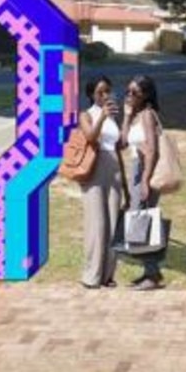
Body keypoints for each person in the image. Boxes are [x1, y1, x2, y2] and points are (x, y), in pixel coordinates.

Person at [78, 75, 127, 289]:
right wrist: (101, 117)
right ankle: (92, 276)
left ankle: (108, 275)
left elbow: (119, 146)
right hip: (94, 170)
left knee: (114, 223)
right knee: (96, 224)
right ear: (91, 94)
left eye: (108, 90)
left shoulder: (113, 116)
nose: (105, 95)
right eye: (100, 92)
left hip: (114, 168)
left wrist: (125, 182)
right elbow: (90, 137)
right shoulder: (86, 115)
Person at [121, 74, 164, 291]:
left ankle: (152, 275)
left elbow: (153, 151)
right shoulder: (137, 115)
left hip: (145, 171)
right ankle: (150, 272)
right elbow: (122, 142)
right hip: (136, 169)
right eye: (127, 91)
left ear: (145, 95)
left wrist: (145, 180)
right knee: (140, 219)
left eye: (134, 93)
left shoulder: (147, 115)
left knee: (143, 220)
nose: (129, 95)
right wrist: (127, 116)